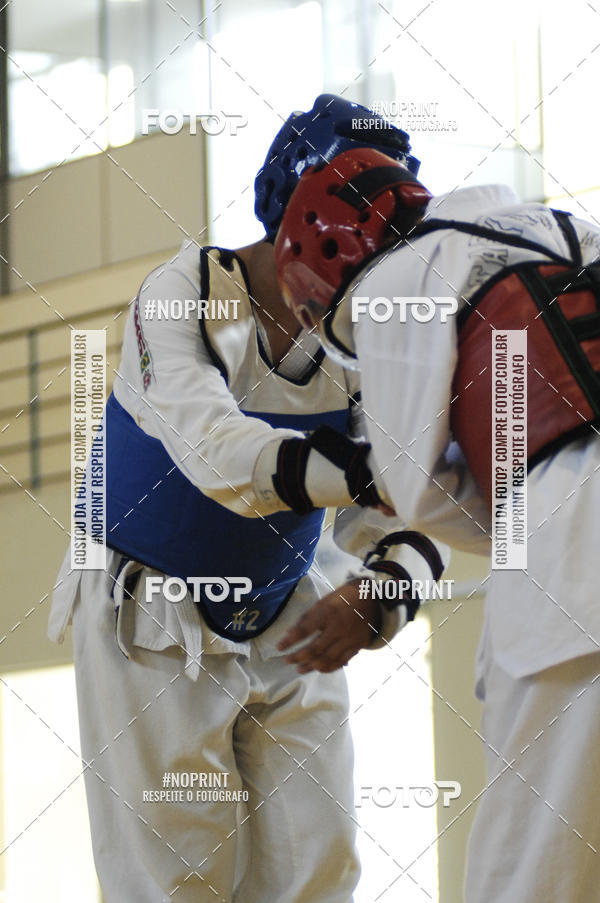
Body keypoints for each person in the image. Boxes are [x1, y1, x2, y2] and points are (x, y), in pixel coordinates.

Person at [49, 97, 448, 903]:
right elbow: (218, 453)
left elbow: (419, 511)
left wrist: (383, 591)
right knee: (176, 881)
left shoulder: (366, 333)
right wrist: (383, 472)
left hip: (288, 601)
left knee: (321, 867)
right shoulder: (182, 295)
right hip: (150, 612)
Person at [274, 146, 600, 901]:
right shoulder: (564, 224)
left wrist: (503, 509)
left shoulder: (397, 281)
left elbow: (413, 487)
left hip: (571, 552)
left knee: (531, 865)